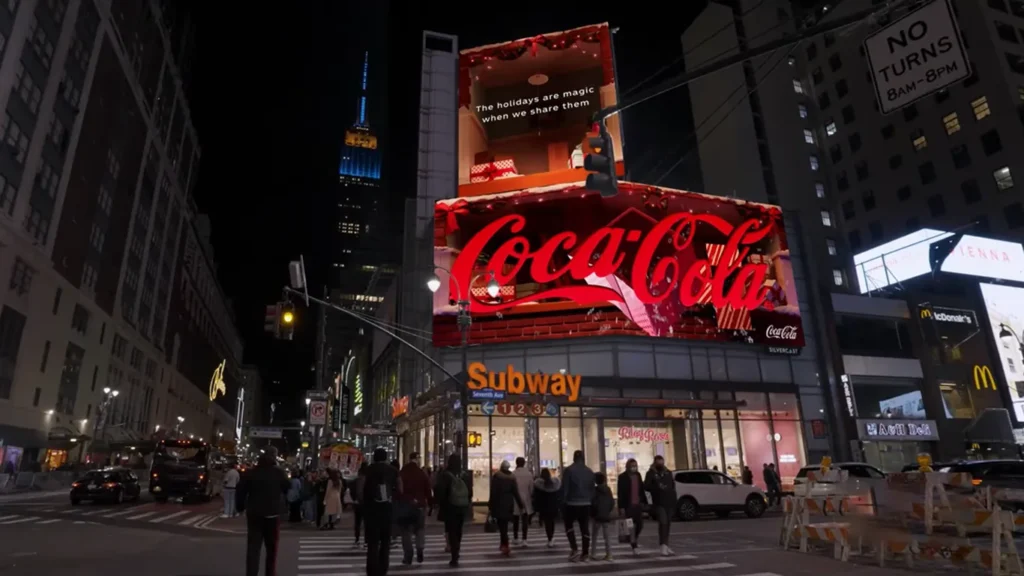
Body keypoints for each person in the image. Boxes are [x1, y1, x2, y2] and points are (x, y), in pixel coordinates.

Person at [237, 446, 290, 576]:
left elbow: (240, 491)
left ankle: (251, 573)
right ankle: (270, 573)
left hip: (254, 513)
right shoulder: (278, 472)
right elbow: (287, 487)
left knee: (253, 548)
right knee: (272, 549)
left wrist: (240, 507)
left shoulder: (251, 472)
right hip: (272, 514)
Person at [364, 447, 401, 576]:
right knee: (386, 541)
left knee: (373, 542)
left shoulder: (367, 470)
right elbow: (400, 488)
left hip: (371, 510)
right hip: (387, 510)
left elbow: (359, 488)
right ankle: (383, 568)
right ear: (385, 457)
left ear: (374, 457)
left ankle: (372, 568)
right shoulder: (393, 471)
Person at [434, 453, 473, 567]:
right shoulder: (464, 474)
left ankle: (454, 554)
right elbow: (470, 491)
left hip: (450, 507)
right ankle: (457, 548)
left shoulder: (445, 475)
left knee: (451, 530)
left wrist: (440, 503)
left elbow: (440, 491)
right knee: (459, 529)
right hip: (462, 506)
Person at [398, 452, 432, 565]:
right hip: (420, 506)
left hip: (405, 505)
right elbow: (428, 489)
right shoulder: (421, 473)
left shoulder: (403, 472)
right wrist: (430, 503)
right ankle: (420, 549)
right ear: (416, 459)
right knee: (420, 529)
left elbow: (398, 489)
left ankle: (408, 555)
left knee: (406, 531)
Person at [561, 450, 595, 562]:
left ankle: (574, 549)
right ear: (583, 458)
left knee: (569, 526)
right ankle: (585, 553)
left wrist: (562, 502)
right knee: (585, 528)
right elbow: (592, 489)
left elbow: (565, 488)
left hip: (571, 503)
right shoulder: (589, 472)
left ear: (574, 458)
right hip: (586, 503)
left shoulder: (568, 470)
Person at [489, 460, 524, 557]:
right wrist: (521, 505)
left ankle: (505, 545)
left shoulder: (497, 476)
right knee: (504, 525)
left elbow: (493, 492)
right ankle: (503, 544)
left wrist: (490, 505)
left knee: (502, 526)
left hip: (499, 503)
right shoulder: (512, 477)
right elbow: (516, 492)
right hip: (509, 503)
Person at [644, 455, 676, 556]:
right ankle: (662, 545)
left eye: (661, 462)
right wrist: (656, 487)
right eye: (658, 462)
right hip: (659, 501)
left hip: (669, 501)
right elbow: (646, 486)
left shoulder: (668, 473)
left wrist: (674, 499)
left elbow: (672, 486)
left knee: (668, 524)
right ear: (655, 462)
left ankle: (666, 544)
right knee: (663, 522)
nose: (660, 464)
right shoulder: (651, 473)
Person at [617, 458, 648, 556]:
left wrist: (643, 502)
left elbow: (641, 489)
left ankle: (633, 538)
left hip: (637, 505)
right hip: (628, 506)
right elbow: (620, 493)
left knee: (640, 524)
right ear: (627, 467)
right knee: (630, 526)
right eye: (632, 466)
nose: (634, 467)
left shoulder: (638, 475)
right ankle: (634, 545)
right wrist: (621, 507)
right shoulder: (622, 477)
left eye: (635, 465)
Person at [532, 468, 561, 548]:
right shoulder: (555, 484)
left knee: (547, 523)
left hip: (544, 506)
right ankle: (551, 538)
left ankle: (550, 538)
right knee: (552, 522)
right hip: (553, 505)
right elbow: (558, 495)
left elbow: (536, 496)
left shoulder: (538, 484)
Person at [591, 472, 615, 561]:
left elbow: (593, 502)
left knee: (595, 535)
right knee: (607, 536)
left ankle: (593, 553)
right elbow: (612, 502)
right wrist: (608, 510)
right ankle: (609, 554)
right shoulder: (608, 489)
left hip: (597, 515)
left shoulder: (595, 490)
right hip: (606, 515)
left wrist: (593, 512)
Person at [511, 457, 534, 547]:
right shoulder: (528, 474)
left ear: (516, 463)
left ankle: (516, 537)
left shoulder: (513, 474)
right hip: (526, 498)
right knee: (525, 519)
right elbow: (531, 488)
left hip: (515, 498)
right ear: (524, 463)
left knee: (515, 519)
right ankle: (524, 539)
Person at [351, 462, 368, 548]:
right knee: (367, 523)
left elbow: (352, 491)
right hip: (366, 504)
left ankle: (357, 539)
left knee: (357, 523)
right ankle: (366, 541)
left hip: (357, 503)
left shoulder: (355, 481)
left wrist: (355, 499)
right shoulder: (369, 480)